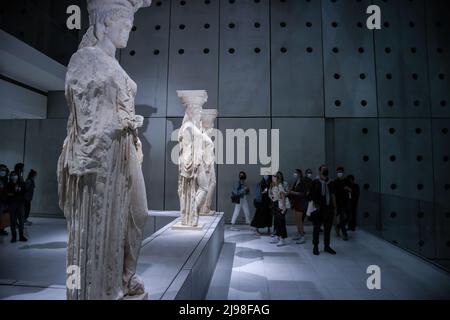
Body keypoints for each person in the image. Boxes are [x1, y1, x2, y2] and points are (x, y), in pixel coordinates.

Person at [310, 165, 336, 255]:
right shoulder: (315, 182)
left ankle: (327, 246)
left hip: (328, 208)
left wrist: (334, 207)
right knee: (316, 228)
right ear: (320, 171)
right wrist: (315, 204)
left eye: (327, 169)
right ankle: (315, 246)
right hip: (318, 208)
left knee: (328, 229)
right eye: (324, 169)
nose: (325, 171)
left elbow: (333, 195)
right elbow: (311, 195)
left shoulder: (331, 182)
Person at [288, 169, 308, 244]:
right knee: (296, 220)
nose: (294, 174)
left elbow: (303, 194)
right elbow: (292, 191)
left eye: (296, 173)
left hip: (301, 203)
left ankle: (302, 236)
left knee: (300, 221)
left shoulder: (303, 182)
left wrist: (293, 192)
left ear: (299, 174)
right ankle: (299, 233)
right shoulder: (296, 182)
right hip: (295, 203)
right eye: (294, 173)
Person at [7, 171, 27, 242]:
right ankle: (14, 236)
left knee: (21, 220)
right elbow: (8, 194)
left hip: (20, 204)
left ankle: (21, 236)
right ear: (10, 176)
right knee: (13, 221)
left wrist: (17, 192)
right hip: (12, 204)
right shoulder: (8, 184)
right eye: (12, 175)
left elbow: (24, 192)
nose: (14, 176)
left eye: (15, 175)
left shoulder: (21, 183)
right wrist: (15, 192)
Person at [269, 172, 288, 246]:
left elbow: (283, 196)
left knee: (281, 222)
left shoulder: (280, 185)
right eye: (272, 176)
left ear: (277, 177)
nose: (272, 178)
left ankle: (282, 239)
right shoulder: (274, 185)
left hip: (279, 205)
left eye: (274, 176)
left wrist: (283, 207)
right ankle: (278, 237)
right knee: (277, 222)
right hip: (275, 204)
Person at [333, 166, 351, 241]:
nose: (339, 173)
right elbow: (333, 193)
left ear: (343, 173)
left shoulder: (347, 181)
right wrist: (334, 204)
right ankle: (344, 234)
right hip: (338, 202)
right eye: (338, 172)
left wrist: (348, 188)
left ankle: (338, 226)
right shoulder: (335, 182)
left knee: (348, 216)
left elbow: (351, 189)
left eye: (340, 172)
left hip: (346, 201)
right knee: (342, 218)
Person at [0, 164, 9, 236]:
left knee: (3, 216)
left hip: (4, 201)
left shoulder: (5, 179)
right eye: (2, 170)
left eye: (4, 170)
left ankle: (2, 229)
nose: (3, 171)